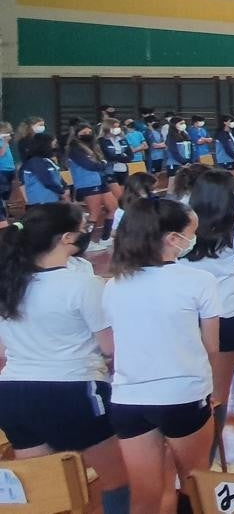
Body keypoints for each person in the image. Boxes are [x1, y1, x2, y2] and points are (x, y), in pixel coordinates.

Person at [0, 203, 131, 514]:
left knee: (48, 490)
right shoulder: (82, 285)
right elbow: (110, 348)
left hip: (12, 394)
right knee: (119, 481)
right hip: (72, 391)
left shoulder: (8, 283)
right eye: (84, 227)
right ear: (67, 238)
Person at [104, 198, 218, 514]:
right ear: (172, 239)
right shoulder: (199, 281)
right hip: (182, 394)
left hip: (129, 399)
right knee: (195, 486)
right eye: (190, 232)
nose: (193, 239)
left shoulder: (114, 285)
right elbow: (211, 345)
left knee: (144, 496)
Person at [179, 169, 234, 469]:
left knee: (191, 385)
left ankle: (186, 459)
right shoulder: (233, 229)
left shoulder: (182, 225)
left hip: (188, 316)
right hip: (227, 314)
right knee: (218, 392)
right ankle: (209, 461)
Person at [66, 122, 118, 253]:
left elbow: (101, 162)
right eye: (83, 133)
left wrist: (101, 164)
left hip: (99, 180)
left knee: (113, 206)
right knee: (94, 214)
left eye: (89, 132)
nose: (87, 135)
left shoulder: (93, 147)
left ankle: (105, 237)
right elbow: (89, 165)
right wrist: (102, 164)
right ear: (77, 134)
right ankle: (86, 242)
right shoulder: (74, 149)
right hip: (87, 183)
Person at [18, 133, 65, 205]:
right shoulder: (35, 161)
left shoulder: (48, 160)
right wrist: (62, 191)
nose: (54, 148)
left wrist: (65, 186)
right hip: (41, 201)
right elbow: (46, 180)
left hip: (51, 199)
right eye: (53, 145)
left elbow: (57, 176)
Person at [0, 122, 13, 213]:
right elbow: (1, 154)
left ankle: (6, 207)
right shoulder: (2, 142)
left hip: (10, 169)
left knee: (9, 190)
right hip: (2, 170)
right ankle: (3, 208)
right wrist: (5, 142)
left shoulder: (5, 142)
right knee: (4, 190)